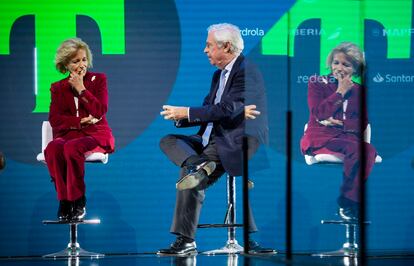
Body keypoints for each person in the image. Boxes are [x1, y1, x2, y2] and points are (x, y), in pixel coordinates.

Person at [158, 23, 272, 255]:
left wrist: (187, 111)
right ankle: (197, 165)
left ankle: (186, 240)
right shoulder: (218, 75)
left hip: (234, 139)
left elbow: (227, 108)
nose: (204, 50)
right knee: (168, 140)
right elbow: (211, 109)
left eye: (209, 45)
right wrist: (180, 118)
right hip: (210, 138)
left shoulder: (246, 71)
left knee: (189, 177)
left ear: (227, 46)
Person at [300, 42, 377, 220]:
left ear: (355, 68)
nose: (339, 68)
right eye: (336, 63)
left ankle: (347, 199)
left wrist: (341, 124)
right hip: (320, 137)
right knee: (358, 150)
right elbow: (319, 113)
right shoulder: (317, 83)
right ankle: (351, 202)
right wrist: (340, 91)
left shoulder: (360, 91)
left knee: (369, 150)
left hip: (346, 139)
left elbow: (362, 122)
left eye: (346, 64)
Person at [44, 38, 115, 221]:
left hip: (95, 135)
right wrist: (79, 122)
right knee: (52, 148)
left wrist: (81, 88)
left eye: (84, 59)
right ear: (66, 64)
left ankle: (77, 199)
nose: (81, 65)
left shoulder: (98, 80)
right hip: (69, 134)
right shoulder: (58, 88)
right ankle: (64, 200)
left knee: (72, 148)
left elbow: (100, 110)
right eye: (75, 61)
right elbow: (55, 119)